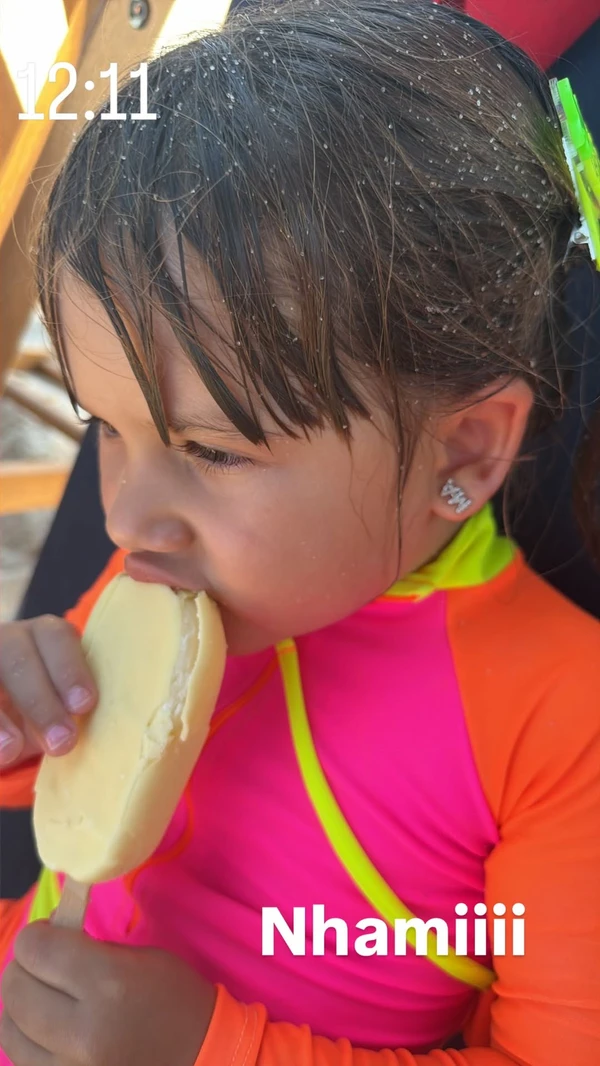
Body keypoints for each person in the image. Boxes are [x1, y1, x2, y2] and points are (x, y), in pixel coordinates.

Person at [1, 2, 599, 1063]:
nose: (125, 514)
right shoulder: (175, 566)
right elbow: (69, 786)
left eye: (214, 449)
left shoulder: (558, 725)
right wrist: (21, 726)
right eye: (107, 426)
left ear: (462, 455)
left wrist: (205, 1048)